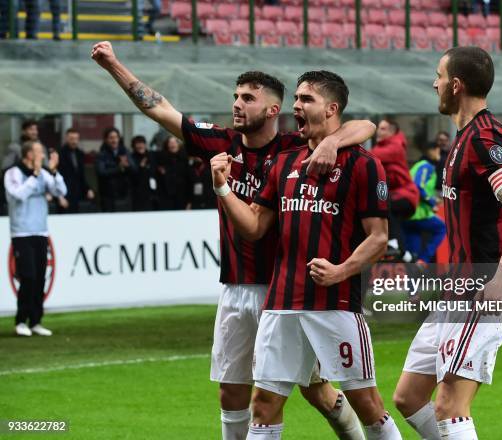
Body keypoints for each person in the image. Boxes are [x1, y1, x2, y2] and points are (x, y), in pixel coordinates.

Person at [92, 41, 375, 440]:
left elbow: (366, 127)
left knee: (316, 390)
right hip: (235, 288)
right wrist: (112, 65)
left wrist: (331, 142)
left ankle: (354, 435)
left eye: (248, 98)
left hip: (285, 290)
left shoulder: (295, 146)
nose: (237, 104)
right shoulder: (220, 143)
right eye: (236, 96)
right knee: (231, 389)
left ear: (273, 110)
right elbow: (156, 107)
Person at [210, 70, 403, 440]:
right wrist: (222, 189)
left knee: (368, 405)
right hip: (280, 303)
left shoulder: (364, 165)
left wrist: (340, 270)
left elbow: (378, 239)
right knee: (263, 405)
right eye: (296, 99)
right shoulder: (284, 163)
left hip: (335, 303)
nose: (295, 106)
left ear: (331, 109)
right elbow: (253, 227)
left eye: (305, 99)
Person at [394, 47, 502, 440]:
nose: (434, 83)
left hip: (484, 286)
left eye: (439, 75)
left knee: (450, 405)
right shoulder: (463, 138)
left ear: (455, 85)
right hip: (456, 288)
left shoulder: (485, 139)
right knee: (408, 396)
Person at [4, 141, 67, 337]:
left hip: (41, 231)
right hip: (21, 232)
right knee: (28, 277)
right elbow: (18, 195)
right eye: (39, 152)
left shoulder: (44, 172)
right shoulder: (13, 173)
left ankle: (36, 320)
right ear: (29, 154)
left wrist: (55, 172)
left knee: (40, 278)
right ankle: (21, 320)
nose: (43, 156)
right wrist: (35, 175)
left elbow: (61, 192)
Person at [371, 117, 419, 263]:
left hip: (406, 196)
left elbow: (369, 157)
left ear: (392, 132)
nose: (378, 131)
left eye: (383, 129)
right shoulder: (381, 147)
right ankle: (405, 254)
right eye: (378, 128)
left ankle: (392, 243)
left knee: (384, 204)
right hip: (395, 195)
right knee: (386, 211)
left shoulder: (396, 147)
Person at [403, 144, 446, 266]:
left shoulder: (417, 166)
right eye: (438, 150)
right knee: (442, 228)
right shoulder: (426, 166)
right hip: (419, 214)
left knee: (412, 256)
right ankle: (425, 259)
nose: (439, 154)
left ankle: (411, 283)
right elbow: (418, 186)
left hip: (408, 214)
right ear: (431, 151)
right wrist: (432, 202)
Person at [95, 127, 136, 212]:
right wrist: (119, 168)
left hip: (123, 195)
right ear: (106, 140)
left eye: (116, 137)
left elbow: (134, 170)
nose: (114, 140)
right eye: (111, 138)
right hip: (107, 195)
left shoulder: (125, 151)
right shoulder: (101, 154)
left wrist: (127, 166)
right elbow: (101, 172)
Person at [57, 128, 95, 213]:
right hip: (65, 193)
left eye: (76, 139)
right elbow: (56, 176)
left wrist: (88, 189)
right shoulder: (60, 154)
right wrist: (60, 196)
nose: (74, 141)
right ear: (66, 139)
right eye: (71, 139)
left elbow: (81, 175)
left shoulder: (80, 154)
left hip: (78, 193)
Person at [156, 136, 190, 210]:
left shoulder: (185, 159)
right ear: (167, 145)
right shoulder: (161, 159)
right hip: (166, 197)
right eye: (170, 142)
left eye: (174, 142)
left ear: (178, 145)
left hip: (182, 196)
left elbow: (188, 179)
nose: (172, 144)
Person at [130, 135, 158, 211]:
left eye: (142, 143)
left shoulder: (152, 155)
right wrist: (141, 167)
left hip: (153, 193)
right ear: (133, 146)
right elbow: (132, 177)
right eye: (137, 143)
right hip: (138, 195)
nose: (140, 145)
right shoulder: (131, 158)